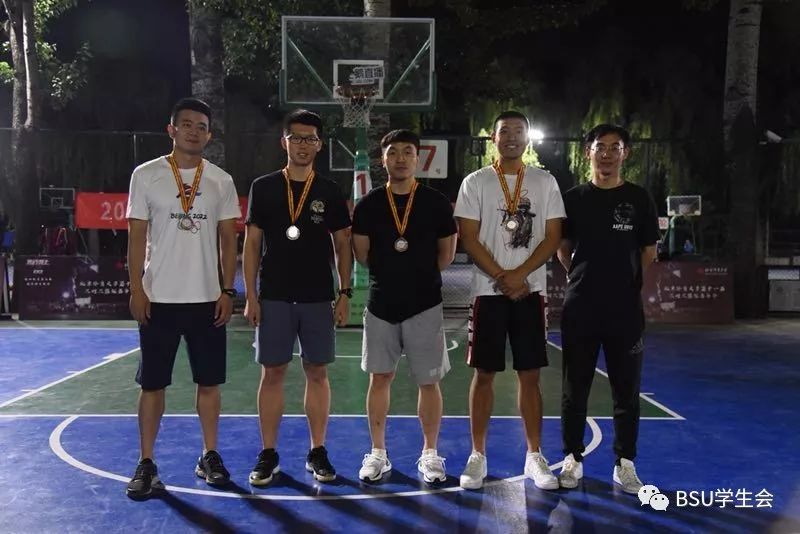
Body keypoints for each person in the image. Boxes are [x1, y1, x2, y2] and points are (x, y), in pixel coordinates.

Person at [125, 97, 241, 499]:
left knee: (209, 383)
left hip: (207, 300)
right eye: (187, 124)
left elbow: (229, 241)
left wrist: (228, 290)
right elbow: (136, 237)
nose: (194, 131)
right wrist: (137, 289)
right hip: (158, 298)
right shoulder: (146, 175)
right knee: (152, 384)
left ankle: (209, 454)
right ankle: (146, 462)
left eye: (201, 126)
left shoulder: (221, 180)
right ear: (171, 129)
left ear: (209, 135)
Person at [454, 111, 565, 490]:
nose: (512, 137)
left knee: (530, 375)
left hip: (530, 292)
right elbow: (468, 238)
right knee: (483, 373)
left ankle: (534, 455)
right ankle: (477, 455)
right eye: (505, 131)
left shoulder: (545, 181)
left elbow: (552, 236)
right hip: (488, 293)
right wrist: (504, 276)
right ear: (494, 138)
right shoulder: (475, 182)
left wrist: (520, 276)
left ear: (528, 138)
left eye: (519, 131)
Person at [243, 109, 352, 485]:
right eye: (296, 138)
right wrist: (251, 295)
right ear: (284, 142)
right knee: (272, 373)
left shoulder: (330, 190)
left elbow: (343, 244)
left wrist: (344, 292)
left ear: (319, 145)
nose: (303, 145)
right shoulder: (264, 187)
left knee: (317, 372)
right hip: (273, 295)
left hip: (317, 296)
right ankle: (268, 453)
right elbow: (252, 243)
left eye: (310, 139)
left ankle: (317, 450)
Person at [556, 124, 660, 494]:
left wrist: (622, 281)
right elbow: (563, 248)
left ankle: (625, 462)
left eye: (615, 147)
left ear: (625, 154)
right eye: (601, 146)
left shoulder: (639, 198)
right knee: (574, 387)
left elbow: (649, 252)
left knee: (626, 389)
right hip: (581, 307)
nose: (607, 154)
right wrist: (583, 277)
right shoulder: (573, 198)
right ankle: (572, 458)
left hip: (624, 310)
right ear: (589, 152)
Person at [351, 129, 457, 484]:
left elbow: (446, 255)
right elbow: (362, 254)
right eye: (393, 152)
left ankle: (430, 453)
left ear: (418, 158)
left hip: (424, 303)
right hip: (381, 304)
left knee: (429, 381)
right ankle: (378, 453)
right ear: (383, 159)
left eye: (407, 151)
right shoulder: (368, 205)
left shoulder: (436, 203)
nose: (400, 158)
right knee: (379, 378)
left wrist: (416, 276)